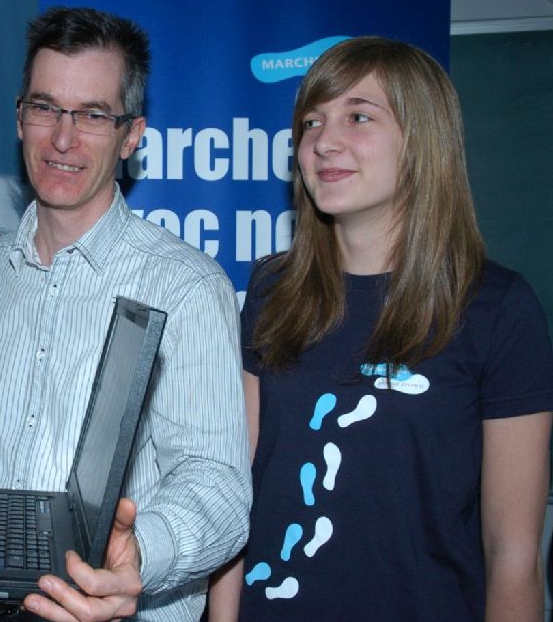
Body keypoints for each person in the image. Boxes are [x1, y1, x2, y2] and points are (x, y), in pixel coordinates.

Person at [0, 6, 251, 622]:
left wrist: (138, 554)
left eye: (92, 114)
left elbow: (216, 485)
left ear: (132, 135)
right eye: (45, 108)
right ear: (19, 118)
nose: (63, 139)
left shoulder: (186, 286)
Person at [208, 36, 553, 621]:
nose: (323, 141)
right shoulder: (272, 290)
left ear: (422, 140)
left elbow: (513, 555)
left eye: (359, 116)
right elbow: (233, 498)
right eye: (311, 122)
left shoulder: (496, 308)